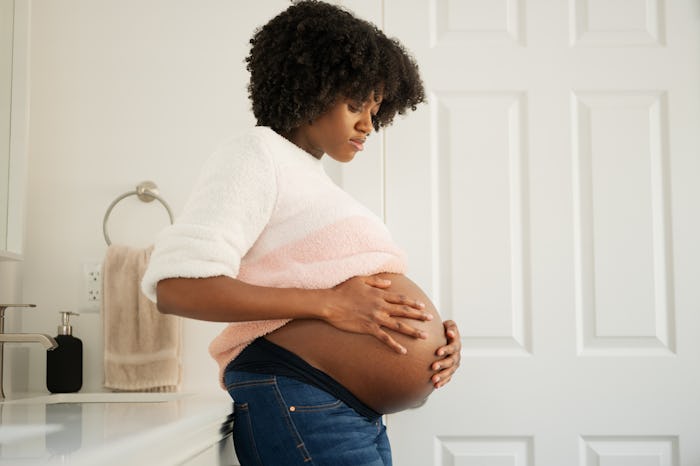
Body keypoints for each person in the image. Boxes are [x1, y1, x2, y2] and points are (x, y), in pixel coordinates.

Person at [141, 1, 462, 465]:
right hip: (304, 396)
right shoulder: (257, 154)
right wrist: (332, 305)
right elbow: (177, 287)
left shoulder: (307, 174)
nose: (368, 124)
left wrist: (434, 348)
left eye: (375, 108)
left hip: (344, 409)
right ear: (311, 88)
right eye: (355, 104)